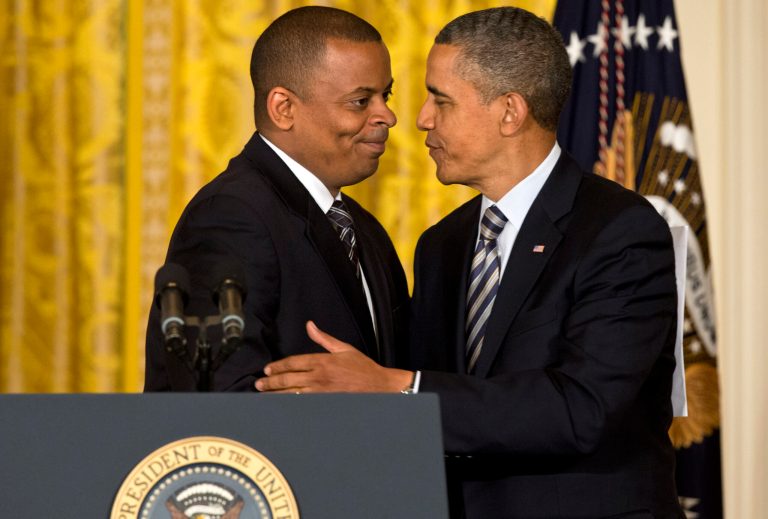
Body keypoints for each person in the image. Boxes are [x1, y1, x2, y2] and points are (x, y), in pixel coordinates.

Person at [256, 7, 683, 518]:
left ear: (509, 112)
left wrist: (399, 387)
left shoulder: (620, 231)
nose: (420, 119)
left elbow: (580, 410)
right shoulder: (442, 245)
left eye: (441, 100)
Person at [144, 6, 408, 392]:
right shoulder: (229, 217)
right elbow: (216, 397)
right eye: (360, 101)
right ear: (284, 108)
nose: (387, 115)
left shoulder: (363, 228)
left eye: (385, 95)